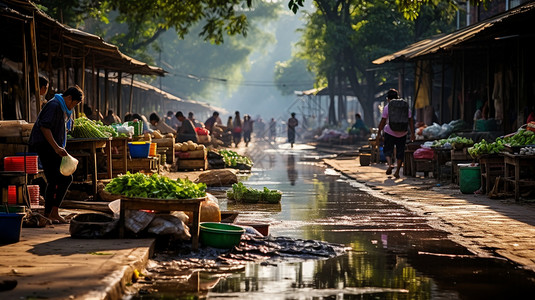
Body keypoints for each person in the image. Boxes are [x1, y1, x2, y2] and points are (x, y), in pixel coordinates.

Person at [28, 85, 84, 224]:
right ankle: (51, 213)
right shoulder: (54, 105)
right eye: (74, 103)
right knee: (60, 179)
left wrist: (59, 147)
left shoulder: (60, 107)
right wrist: (56, 147)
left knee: (60, 179)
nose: (73, 107)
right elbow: (44, 127)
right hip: (46, 147)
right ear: (69, 98)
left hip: (53, 148)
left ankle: (51, 212)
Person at [376, 89, 415, 179]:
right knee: (400, 151)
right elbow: (410, 120)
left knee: (387, 150)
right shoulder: (405, 106)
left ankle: (390, 164)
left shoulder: (387, 107)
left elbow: (383, 121)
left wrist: (379, 133)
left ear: (388, 99)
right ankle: (397, 171)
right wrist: (412, 133)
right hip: (403, 132)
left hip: (390, 131)